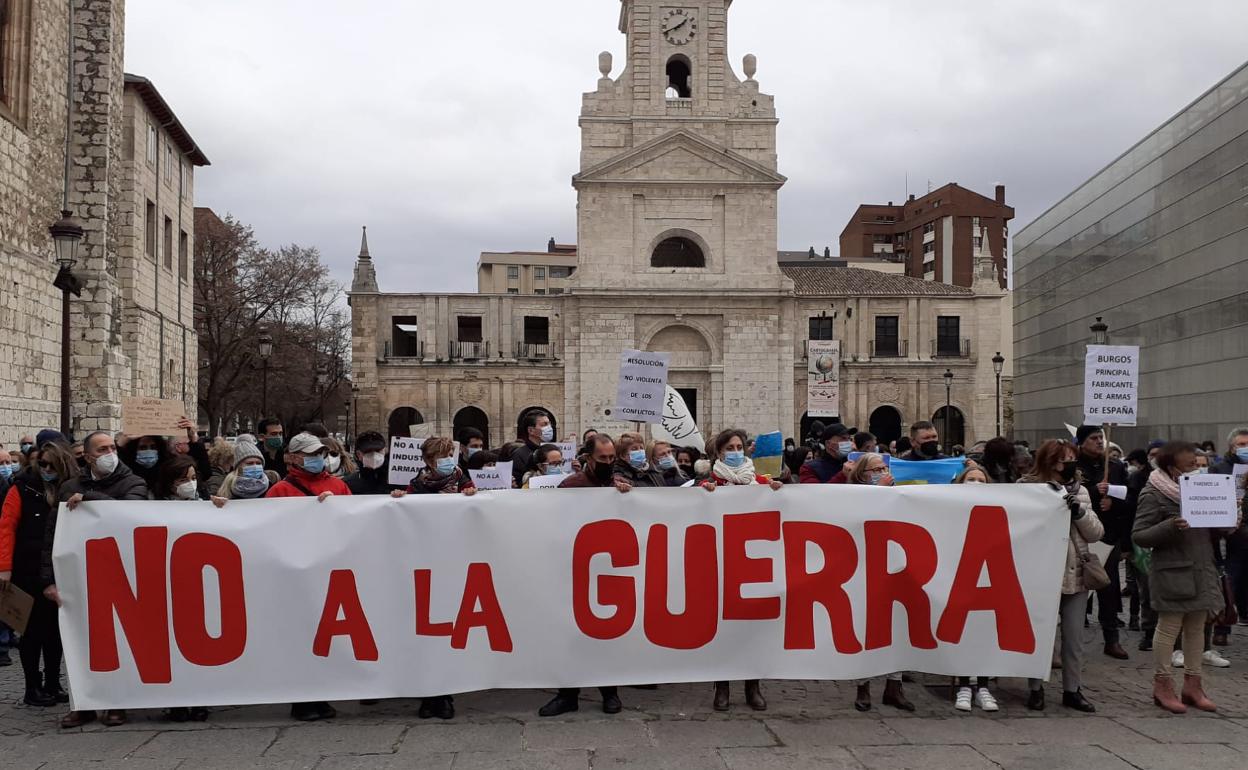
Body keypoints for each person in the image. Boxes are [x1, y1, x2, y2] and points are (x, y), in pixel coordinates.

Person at [54, 430, 149, 727]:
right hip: (80, 573)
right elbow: (52, 532)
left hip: (121, 573)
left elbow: (127, 513)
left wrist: (90, 499)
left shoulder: (133, 481)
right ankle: (83, 704)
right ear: (88, 455)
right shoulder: (69, 486)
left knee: (118, 641)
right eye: (102, 449)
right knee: (79, 641)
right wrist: (49, 579)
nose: (109, 453)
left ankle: (116, 703)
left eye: (112, 447)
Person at [536, 435, 630, 718]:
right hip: (575, 569)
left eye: (612, 457)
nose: (609, 462)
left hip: (609, 571)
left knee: (606, 635)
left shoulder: (620, 485)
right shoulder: (571, 486)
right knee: (570, 634)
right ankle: (568, 694)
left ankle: (609, 692)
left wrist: (628, 496)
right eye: (603, 458)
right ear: (588, 457)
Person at [1133, 440, 1230, 714]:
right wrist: (1170, 526)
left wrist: (1231, 512)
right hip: (1173, 571)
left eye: (1200, 465)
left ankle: (1193, 685)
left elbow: (1219, 529)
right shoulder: (1154, 493)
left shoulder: (1203, 491)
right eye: (1191, 466)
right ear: (1172, 468)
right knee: (1169, 627)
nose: (1197, 471)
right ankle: (1163, 685)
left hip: (1201, 569)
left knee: (1197, 628)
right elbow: (1139, 534)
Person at [262, 432, 349, 723]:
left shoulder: (338, 486)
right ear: (294, 457)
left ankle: (323, 692)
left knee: (326, 635)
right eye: (311, 454)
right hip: (296, 575)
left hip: (330, 572)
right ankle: (303, 698)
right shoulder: (280, 491)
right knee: (301, 635)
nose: (318, 459)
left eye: (320, 454)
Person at [701, 429, 783, 712]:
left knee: (753, 627)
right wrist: (705, 495)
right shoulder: (709, 482)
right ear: (719, 453)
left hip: (754, 564)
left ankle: (752, 685)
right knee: (724, 628)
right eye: (730, 447)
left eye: (739, 446)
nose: (736, 451)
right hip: (720, 564)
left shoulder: (760, 482)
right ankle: (722, 686)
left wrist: (778, 492)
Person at [1020, 438, 1103, 713]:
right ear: (1050, 462)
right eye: (1064, 459)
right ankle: (1035, 687)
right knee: (1039, 634)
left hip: (1074, 572)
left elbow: (1096, 533)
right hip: (1039, 572)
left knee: (1074, 636)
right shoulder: (1027, 488)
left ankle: (1072, 689)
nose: (1069, 465)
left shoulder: (1081, 492)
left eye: (1071, 459)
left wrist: (1078, 513)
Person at [0, 441, 75, 708]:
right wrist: (4, 568)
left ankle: (53, 682)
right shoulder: (20, 488)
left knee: (55, 632)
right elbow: (6, 527)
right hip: (26, 570)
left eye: (50, 465)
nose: (45, 469)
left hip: (60, 570)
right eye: (41, 463)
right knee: (31, 632)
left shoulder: (70, 490)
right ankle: (32, 686)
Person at [839, 453, 916, 712]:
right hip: (863, 568)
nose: (882, 471)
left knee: (897, 625)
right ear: (863, 474)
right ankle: (864, 686)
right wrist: (878, 493)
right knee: (867, 627)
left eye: (884, 467)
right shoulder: (852, 496)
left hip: (896, 565)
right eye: (875, 469)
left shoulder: (901, 494)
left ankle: (894, 687)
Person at [1074, 425, 1135, 661]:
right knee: (1076, 590)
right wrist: (1092, 491)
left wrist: (1114, 503)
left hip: (1107, 537)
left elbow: (1130, 498)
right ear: (1082, 442)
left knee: (1108, 588)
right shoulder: (1073, 465)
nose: (1099, 442)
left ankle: (1112, 639)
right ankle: (1071, 640)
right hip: (1078, 537)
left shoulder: (1116, 467)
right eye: (1094, 438)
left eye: (1102, 437)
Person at [948, 463, 1000, 711]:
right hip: (958, 576)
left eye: (981, 480)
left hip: (990, 577)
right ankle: (963, 687)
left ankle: (983, 686)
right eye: (971, 479)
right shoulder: (950, 509)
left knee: (984, 631)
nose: (976, 484)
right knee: (961, 632)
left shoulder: (999, 507)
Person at [1212, 429, 1248, 622]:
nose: (1246, 448)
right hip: (1230, 533)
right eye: (1241, 445)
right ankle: (1222, 625)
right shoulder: (1220, 468)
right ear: (1231, 447)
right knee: (1228, 580)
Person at [212, 440, 279, 501]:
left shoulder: (272, 486)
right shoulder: (226, 490)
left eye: (258, 463)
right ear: (239, 467)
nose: (255, 466)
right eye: (250, 463)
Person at [511, 412, 555, 486]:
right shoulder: (519, 454)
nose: (549, 427)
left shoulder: (554, 451)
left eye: (549, 424)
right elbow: (518, 483)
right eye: (544, 424)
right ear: (531, 430)